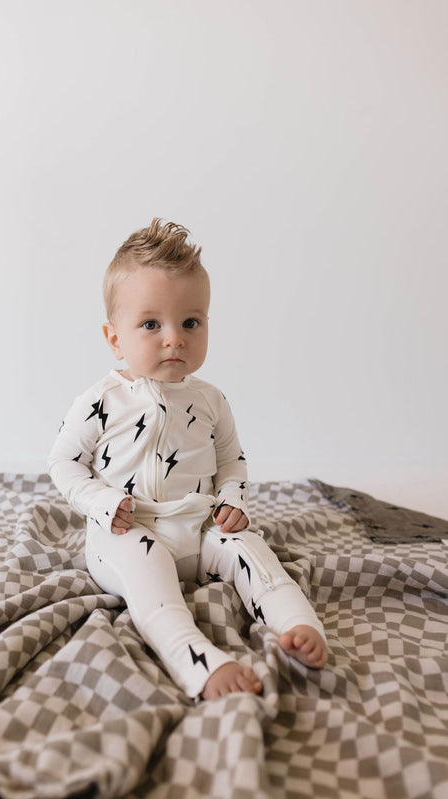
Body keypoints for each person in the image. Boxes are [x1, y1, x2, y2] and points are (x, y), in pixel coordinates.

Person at [48, 219, 327, 700]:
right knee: (144, 561)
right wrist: (102, 502)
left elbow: (231, 460)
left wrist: (232, 498)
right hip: (126, 533)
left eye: (190, 323)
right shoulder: (101, 401)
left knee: (249, 547)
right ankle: (192, 658)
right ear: (114, 338)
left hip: (198, 528)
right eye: (151, 324)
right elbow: (64, 464)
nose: (174, 338)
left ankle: (297, 622)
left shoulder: (210, 400)